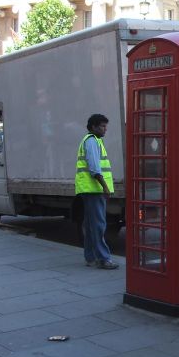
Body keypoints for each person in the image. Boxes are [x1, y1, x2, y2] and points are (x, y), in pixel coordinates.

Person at [75, 114, 118, 270]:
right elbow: (94, 168)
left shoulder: (92, 141)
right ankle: (103, 259)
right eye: (102, 126)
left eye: (106, 126)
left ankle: (90, 257)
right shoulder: (92, 142)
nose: (105, 129)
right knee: (99, 225)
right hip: (94, 190)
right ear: (93, 127)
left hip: (89, 190)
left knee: (90, 224)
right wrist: (105, 187)